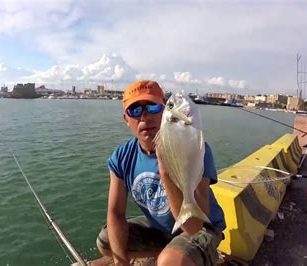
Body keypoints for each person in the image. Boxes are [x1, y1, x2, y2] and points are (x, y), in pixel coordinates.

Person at [96, 80, 226, 266]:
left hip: (202, 226)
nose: (145, 117)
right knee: (106, 241)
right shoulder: (122, 156)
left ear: (165, 110)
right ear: (126, 119)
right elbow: (116, 213)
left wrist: (165, 173)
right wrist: (121, 262)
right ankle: (167, 251)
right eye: (135, 110)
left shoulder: (195, 149)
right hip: (162, 229)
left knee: (170, 262)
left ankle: (199, 255)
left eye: (152, 107)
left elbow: (194, 227)